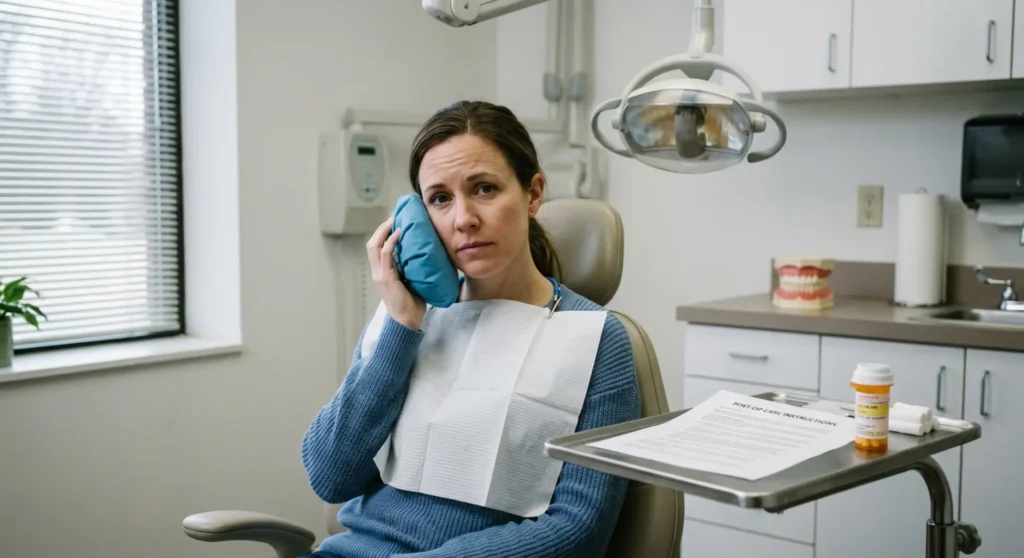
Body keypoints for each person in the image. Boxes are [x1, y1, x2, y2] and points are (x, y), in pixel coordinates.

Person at [300, 100, 641, 558]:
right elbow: (330, 477)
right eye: (440, 199)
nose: (463, 219)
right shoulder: (401, 316)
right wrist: (402, 326)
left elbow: (579, 531)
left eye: (484, 189)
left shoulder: (597, 339)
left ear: (533, 194)